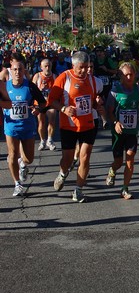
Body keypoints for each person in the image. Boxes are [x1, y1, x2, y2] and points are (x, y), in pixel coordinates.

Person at [48, 51, 101, 203]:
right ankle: (63, 174)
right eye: (81, 68)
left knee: (85, 157)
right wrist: (64, 109)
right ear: (73, 65)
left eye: (87, 67)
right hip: (69, 126)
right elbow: (51, 100)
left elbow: (94, 102)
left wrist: (98, 104)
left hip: (88, 124)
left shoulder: (93, 80)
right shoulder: (64, 77)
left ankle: (78, 189)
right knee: (68, 159)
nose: (84, 71)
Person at [3, 55, 46, 196]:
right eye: (14, 69)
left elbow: (42, 103)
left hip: (27, 127)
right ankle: (17, 184)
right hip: (11, 127)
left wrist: (37, 109)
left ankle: (23, 164)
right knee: (12, 154)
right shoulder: (5, 87)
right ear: (11, 70)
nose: (17, 72)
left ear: (24, 70)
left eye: (20, 69)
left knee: (29, 158)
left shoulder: (30, 86)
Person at [105, 62, 139, 199]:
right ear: (121, 76)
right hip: (118, 132)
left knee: (130, 159)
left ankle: (125, 188)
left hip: (132, 132)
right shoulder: (115, 91)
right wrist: (115, 122)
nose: (129, 77)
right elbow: (108, 111)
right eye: (126, 75)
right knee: (118, 162)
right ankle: (112, 171)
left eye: (131, 74)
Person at [32, 57, 57, 151]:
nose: (47, 68)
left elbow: (59, 90)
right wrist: (39, 90)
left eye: (49, 66)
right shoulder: (37, 76)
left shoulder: (54, 76)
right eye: (45, 66)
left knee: (52, 120)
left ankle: (50, 140)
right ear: (41, 67)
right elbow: (32, 89)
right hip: (40, 103)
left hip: (50, 103)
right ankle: (42, 140)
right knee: (41, 122)